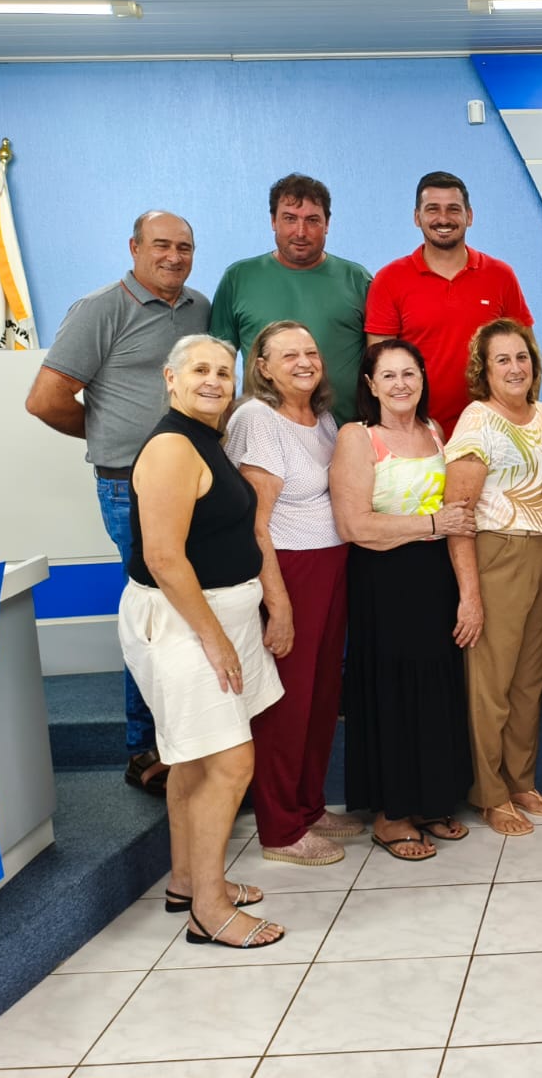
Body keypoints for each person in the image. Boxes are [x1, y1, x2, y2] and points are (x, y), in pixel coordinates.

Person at [26, 210, 211, 799]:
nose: (174, 257)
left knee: (188, 608)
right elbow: (44, 399)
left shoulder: (199, 308)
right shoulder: (101, 307)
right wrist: (108, 434)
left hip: (191, 483)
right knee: (155, 613)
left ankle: (189, 740)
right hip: (129, 486)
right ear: (134, 247)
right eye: (161, 245)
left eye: (184, 247)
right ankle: (145, 749)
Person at [117, 334, 286, 949]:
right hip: (185, 624)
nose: (214, 380)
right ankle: (209, 911)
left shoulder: (201, 438)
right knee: (229, 760)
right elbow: (164, 558)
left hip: (216, 619)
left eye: (223, 371)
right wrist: (214, 640)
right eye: (199, 370)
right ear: (170, 378)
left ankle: (188, 881)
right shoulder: (169, 447)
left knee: (191, 755)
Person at [330, 339, 476, 861]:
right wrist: (432, 524)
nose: (400, 384)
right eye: (387, 376)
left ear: (423, 378)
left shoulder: (436, 432)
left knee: (435, 687)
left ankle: (431, 799)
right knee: (391, 692)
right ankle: (392, 815)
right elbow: (353, 525)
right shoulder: (358, 438)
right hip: (383, 579)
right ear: (370, 384)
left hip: (433, 577)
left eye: (409, 373)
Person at [225, 321, 363, 865]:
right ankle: (280, 828)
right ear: (261, 365)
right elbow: (255, 524)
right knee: (286, 703)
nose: (305, 361)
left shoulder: (322, 417)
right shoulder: (257, 420)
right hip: (287, 571)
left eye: (311, 350)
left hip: (332, 564)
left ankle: (308, 804)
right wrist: (277, 605)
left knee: (322, 694)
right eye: (288, 355)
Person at [444, 320, 542, 836]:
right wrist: (470, 594)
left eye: (522, 358)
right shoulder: (477, 422)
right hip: (499, 555)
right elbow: (458, 515)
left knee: (528, 681)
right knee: (490, 684)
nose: (515, 368)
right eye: (502, 360)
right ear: (484, 370)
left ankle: (520, 781)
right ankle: (489, 793)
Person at [365, 171, 533, 433]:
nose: (443, 219)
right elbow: (380, 367)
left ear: (469, 216)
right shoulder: (389, 280)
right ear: (417, 217)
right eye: (432, 209)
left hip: (494, 432)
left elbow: (526, 355)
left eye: (453, 209)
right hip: (419, 435)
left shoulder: (501, 276)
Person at [210, 174, 372, 425]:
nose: (300, 232)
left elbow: (378, 361)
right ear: (273, 221)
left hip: (347, 435)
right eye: (289, 219)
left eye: (312, 220)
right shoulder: (238, 278)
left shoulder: (357, 280)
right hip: (262, 438)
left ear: (327, 224)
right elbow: (218, 363)